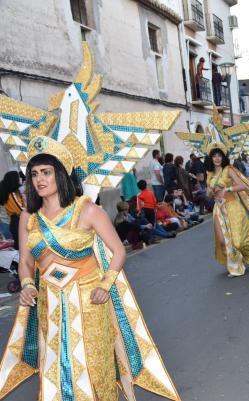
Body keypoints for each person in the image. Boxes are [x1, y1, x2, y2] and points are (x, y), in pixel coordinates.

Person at [0, 136, 180, 400]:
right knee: (55, 368)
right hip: (49, 302)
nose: (39, 179)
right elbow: (26, 262)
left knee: (93, 367)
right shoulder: (29, 217)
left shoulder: (87, 210)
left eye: (46, 172)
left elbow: (118, 251)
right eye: (34, 173)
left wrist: (106, 284)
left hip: (89, 300)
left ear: (61, 174)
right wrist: (27, 284)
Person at [206, 147, 249, 277]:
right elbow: (207, 194)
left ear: (223, 158)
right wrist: (210, 192)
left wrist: (227, 189)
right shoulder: (210, 174)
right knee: (223, 241)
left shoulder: (228, 170)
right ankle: (234, 266)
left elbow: (242, 185)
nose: (217, 158)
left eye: (219, 156)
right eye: (214, 156)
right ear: (211, 158)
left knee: (237, 241)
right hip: (218, 209)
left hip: (233, 206)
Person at [0, 171, 25, 250]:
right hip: (12, 223)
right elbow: (20, 209)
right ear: (14, 180)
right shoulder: (11, 194)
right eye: (18, 177)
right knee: (18, 248)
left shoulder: (8, 192)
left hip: (7, 224)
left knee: (16, 248)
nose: (20, 178)